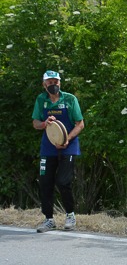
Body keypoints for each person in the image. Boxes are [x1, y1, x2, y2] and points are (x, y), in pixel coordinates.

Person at [32, 70, 85, 233]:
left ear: (60, 83)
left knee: (63, 182)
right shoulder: (41, 100)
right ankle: (49, 219)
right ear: (44, 84)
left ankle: (70, 216)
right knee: (45, 183)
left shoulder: (70, 99)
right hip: (48, 148)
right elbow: (35, 122)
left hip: (68, 146)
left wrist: (67, 139)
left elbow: (80, 124)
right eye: (50, 82)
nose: (53, 85)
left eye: (56, 82)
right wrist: (44, 123)